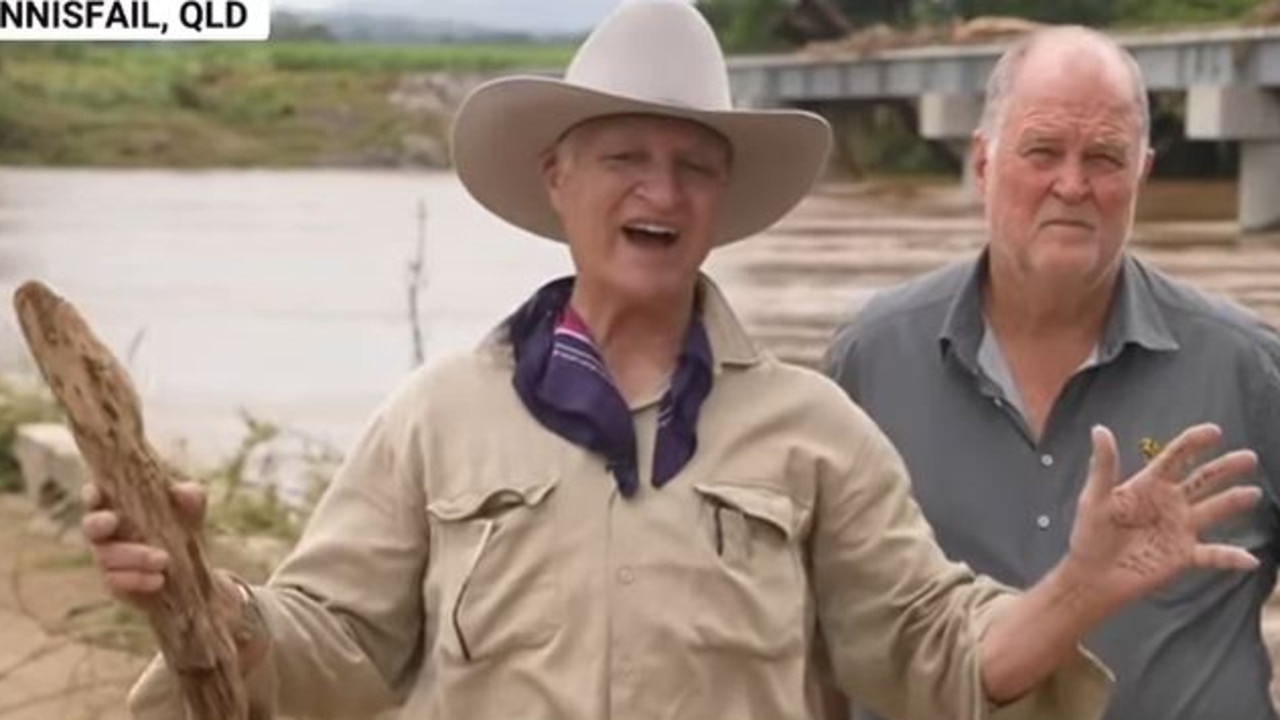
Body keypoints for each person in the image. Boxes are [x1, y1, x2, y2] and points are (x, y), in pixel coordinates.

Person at [83, 4, 1260, 719]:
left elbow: (933, 653)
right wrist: (202, 592)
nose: (660, 191)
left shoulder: (813, 431)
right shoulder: (434, 418)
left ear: (723, 203)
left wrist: (1079, 590)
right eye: (623, 157)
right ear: (556, 178)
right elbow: (330, 649)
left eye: (693, 165)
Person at [825, 25, 1280, 720]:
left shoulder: (1248, 370)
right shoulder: (872, 362)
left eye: (1104, 157)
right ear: (982, 163)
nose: (1073, 184)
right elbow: (818, 637)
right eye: (1042, 152)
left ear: (1142, 174)